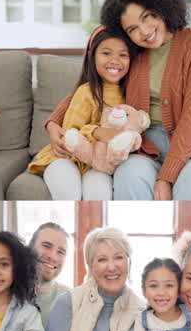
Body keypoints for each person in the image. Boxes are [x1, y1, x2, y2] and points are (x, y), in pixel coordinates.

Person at [46, 0, 191, 200]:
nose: (144, 32)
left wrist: (166, 178)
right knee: (129, 176)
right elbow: (93, 85)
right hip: (141, 147)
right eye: (132, 29)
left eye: (148, 17)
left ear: (162, 6)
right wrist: (52, 122)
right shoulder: (133, 53)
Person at [28, 26, 136, 200]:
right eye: (106, 53)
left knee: (98, 194)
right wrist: (97, 132)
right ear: (92, 56)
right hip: (67, 156)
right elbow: (70, 132)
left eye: (123, 55)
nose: (114, 60)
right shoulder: (85, 92)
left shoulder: (133, 94)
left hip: (99, 163)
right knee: (68, 191)